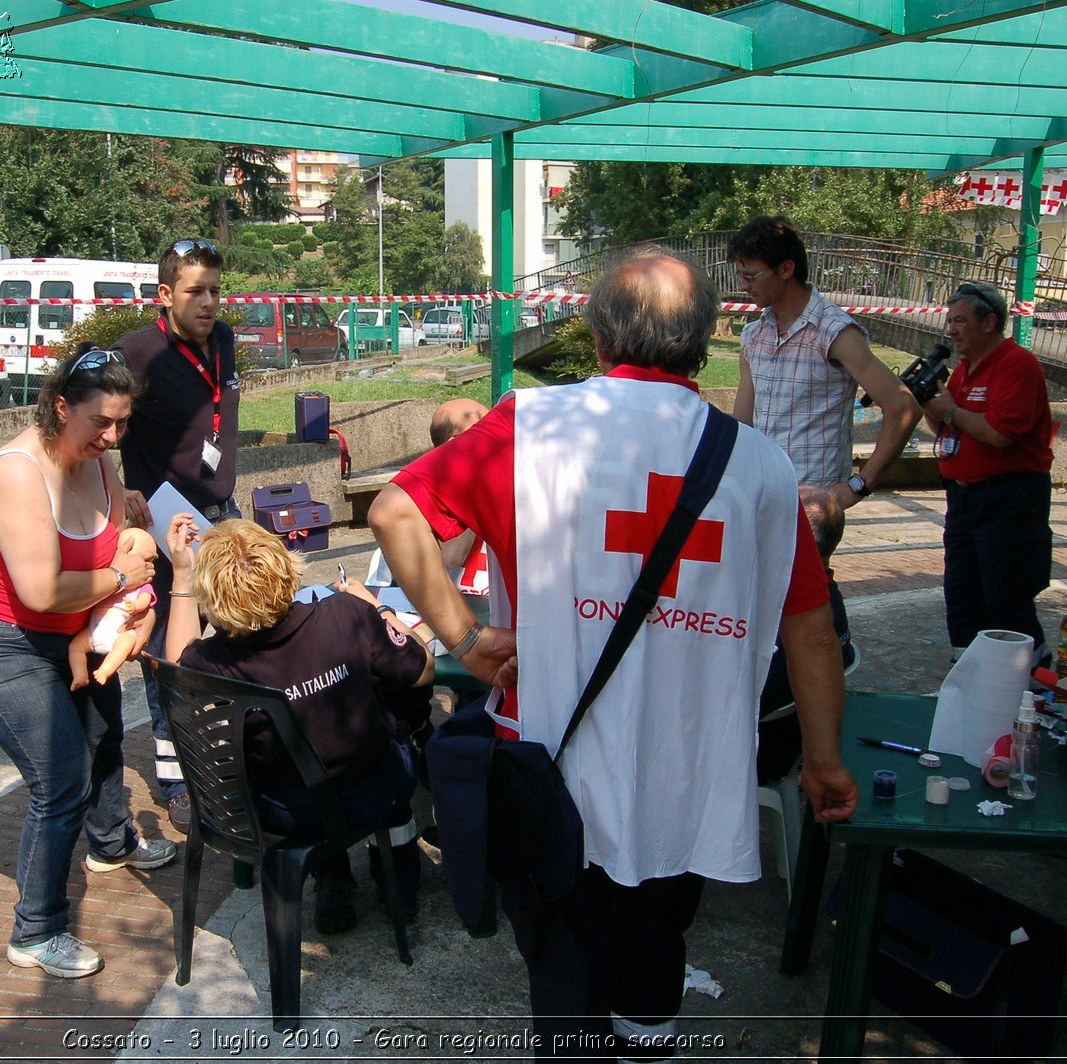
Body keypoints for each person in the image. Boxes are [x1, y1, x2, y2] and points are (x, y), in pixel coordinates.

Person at [370, 248, 858, 1060]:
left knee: (563, 973)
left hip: (551, 768)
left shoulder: (527, 426)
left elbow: (394, 513)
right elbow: (810, 628)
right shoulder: (765, 466)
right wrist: (823, 762)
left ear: (598, 336)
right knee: (656, 949)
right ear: (706, 345)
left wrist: (466, 636)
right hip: (690, 775)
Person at [0, 347, 177, 981]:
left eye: (122, 423)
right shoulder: (18, 475)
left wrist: (132, 537)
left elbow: (111, 529)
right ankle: (37, 930)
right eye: (100, 421)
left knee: (103, 739)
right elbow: (41, 591)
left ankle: (112, 843)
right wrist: (122, 573)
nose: (112, 435)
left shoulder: (98, 461)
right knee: (60, 779)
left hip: (67, 636)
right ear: (60, 406)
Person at [162, 517, 435, 932]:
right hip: (371, 790)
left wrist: (181, 571)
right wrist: (374, 606)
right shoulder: (345, 615)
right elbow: (422, 671)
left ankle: (331, 872)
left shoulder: (213, 663)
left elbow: (178, 664)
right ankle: (398, 883)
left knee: (305, 767)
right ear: (286, 566)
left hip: (281, 811)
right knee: (400, 728)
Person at [111, 239, 240, 831]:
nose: (209, 301)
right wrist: (121, 495)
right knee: (167, 651)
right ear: (165, 296)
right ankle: (177, 780)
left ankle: (230, 751)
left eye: (215, 289)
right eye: (195, 292)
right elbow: (94, 427)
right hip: (167, 524)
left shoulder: (224, 341)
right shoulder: (136, 353)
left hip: (220, 511)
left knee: (238, 633)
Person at [729, 215, 921, 509]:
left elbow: (903, 407)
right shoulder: (753, 336)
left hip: (814, 508)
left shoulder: (834, 333)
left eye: (751, 276)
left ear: (786, 269)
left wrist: (858, 485)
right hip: (762, 500)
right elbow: (743, 426)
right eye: (741, 275)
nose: (743, 286)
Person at [920, 282, 1054, 669]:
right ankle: (970, 677)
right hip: (963, 499)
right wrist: (931, 405)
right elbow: (949, 427)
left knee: (1005, 599)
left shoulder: (1017, 364)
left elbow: (999, 433)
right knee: (962, 596)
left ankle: (1033, 685)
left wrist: (948, 410)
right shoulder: (963, 371)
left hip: (1009, 499)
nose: (951, 330)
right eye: (950, 321)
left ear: (989, 322)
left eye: (960, 321)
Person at [757, 485, 854, 783]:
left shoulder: (798, 623)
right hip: (787, 746)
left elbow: (756, 698)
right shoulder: (829, 601)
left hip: (762, 755)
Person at [67, 526, 158, 690]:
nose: (146, 567)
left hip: (120, 631)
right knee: (75, 647)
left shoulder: (141, 587)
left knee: (125, 643)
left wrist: (136, 606)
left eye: (150, 561)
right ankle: (80, 674)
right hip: (93, 630)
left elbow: (146, 600)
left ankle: (106, 669)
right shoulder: (108, 578)